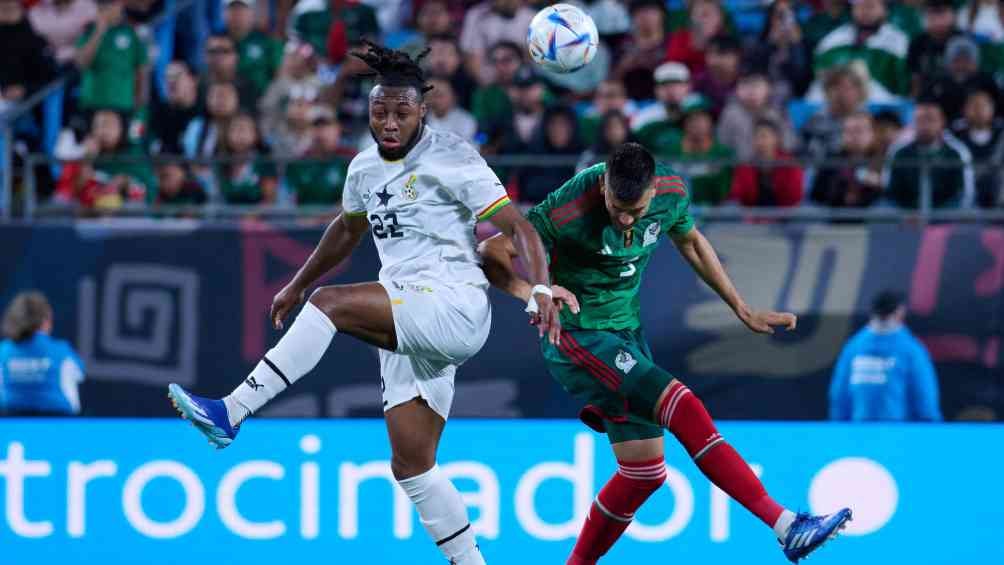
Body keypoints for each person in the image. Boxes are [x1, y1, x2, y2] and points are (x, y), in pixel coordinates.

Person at [167, 43, 558, 565]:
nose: (389, 123)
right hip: (407, 314)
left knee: (332, 304)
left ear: (422, 109)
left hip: (453, 303)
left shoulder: (453, 157)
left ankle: (231, 412)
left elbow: (519, 227)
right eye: (379, 111)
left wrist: (539, 286)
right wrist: (296, 283)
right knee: (412, 465)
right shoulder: (364, 169)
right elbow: (347, 229)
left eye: (401, 111)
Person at [478, 142, 851, 565]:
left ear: (653, 192)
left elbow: (690, 241)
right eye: (616, 206)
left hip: (626, 334)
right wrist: (535, 293)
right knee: (683, 406)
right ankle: (786, 525)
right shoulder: (567, 208)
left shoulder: (672, 192)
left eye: (634, 211)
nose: (623, 218)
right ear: (603, 184)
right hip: (576, 334)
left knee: (643, 473)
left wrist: (741, 308)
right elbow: (490, 252)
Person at [829, 290, 942, 421]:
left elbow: (839, 395)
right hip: (896, 436)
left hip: (860, 434)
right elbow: (924, 396)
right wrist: (931, 429)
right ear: (900, 312)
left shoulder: (854, 347)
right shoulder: (911, 350)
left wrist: (838, 430)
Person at [0, 291, 85, 416]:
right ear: (46, 321)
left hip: (9, 426)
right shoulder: (61, 352)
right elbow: (80, 374)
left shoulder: (3, 351)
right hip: (59, 424)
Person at [811, 0, 910, 103]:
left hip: (884, 109)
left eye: (870, 6)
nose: (864, 11)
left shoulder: (900, 43)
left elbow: (904, 87)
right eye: (859, 6)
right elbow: (819, 80)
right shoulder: (831, 41)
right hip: (837, 109)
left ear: (885, 9)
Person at [886, 98, 974, 208]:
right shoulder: (899, 151)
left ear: (942, 122)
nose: (925, 125)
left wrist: (939, 217)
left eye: (930, 120)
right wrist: (908, 214)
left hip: (948, 217)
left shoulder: (957, 152)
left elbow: (963, 195)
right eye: (920, 120)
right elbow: (891, 193)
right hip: (906, 217)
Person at [75, 0, 147, 116]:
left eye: (109, 4)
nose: (105, 9)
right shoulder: (88, 32)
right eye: (102, 5)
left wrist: (140, 106)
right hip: (93, 104)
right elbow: (81, 64)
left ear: (119, 6)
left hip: (123, 106)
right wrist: (99, 31)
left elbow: (142, 72)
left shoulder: (132, 32)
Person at [716, 70, 798, 161]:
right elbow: (722, 146)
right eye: (745, 85)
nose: (751, 92)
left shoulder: (778, 112)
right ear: (736, 89)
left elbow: (790, 144)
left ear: (768, 88)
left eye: (756, 85)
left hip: (774, 167)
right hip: (739, 167)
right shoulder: (730, 114)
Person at [810, 111, 885, 207]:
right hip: (834, 215)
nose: (853, 136)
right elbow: (817, 195)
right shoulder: (831, 160)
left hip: (872, 217)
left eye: (859, 130)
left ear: (873, 133)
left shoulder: (884, 160)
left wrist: (879, 185)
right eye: (848, 131)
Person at [663, 105, 735, 205]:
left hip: (714, 213)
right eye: (692, 120)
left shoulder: (722, 153)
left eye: (702, 119)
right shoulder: (670, 151)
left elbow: (723, 193)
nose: (697, 124)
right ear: (684, 123)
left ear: (711, 123)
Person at [284, 106, 355, 205]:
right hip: (305, 218)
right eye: (316, 126)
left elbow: (357, 198)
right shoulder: (298, 162)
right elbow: (290, 201)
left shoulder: (351, 158)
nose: (322, 132)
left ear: (338, 129)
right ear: (307, 131)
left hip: (342, 218)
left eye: (327, 125)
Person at [747, 0, 813, 106]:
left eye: (789, 15)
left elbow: (801, 79)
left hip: (793, 100)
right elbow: (754, 73)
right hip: (762, 97)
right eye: (780, 16)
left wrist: (797, 45)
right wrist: (770, 45)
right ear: (771, 18)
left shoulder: (804, 45)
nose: (784, 22)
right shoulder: (759, 44)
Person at [632, 62, 704, 155]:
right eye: (664, 84)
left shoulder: (701, 107)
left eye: (677, 83)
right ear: (656, 89)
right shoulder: (644, 117)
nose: (671, 89)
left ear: (689, 86)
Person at [729, 119, 804, 207]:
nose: (759, 141)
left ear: (776, 138)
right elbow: (738, 195)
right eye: (755, 137)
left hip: (784, 213)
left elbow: (794, 197)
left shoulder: (790, 164)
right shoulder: (745, 165)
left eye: (764, 136)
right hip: (752, 214)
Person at [517, 105, 584, 203]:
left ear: (573, 126)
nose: (558, 129)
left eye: (563, 124)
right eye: (553, 123)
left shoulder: (584, 156)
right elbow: (526, 190)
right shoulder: (532, 155)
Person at [459, 0, 534, 85]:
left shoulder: (532, 16)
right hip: (489, 81)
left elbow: (534, 59)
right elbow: (472, 59)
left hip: (524, 79)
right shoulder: (476, 15)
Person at [951, 89, 1004, 207]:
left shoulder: (1001, 132)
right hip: (967, 181)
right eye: (974, 106)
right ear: (965, 109)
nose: (978, 111)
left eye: (983, 106)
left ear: (992, 109)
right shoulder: (956, 132)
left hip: (995, 182)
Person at [802, 66, 868, 161]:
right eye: (839, 87)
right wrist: (843, 145)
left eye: (850, 88)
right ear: (829, 91)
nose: (845, 94)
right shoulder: (816, 122)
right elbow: (813, 157)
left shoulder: (866, 118)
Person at [223, 0, 282, 102]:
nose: (237, 14)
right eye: (233, 9)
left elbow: (279, 76)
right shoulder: (216, 41)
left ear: (252, 13)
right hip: (226, 99)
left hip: (261, 101)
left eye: (242, 9)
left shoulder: (268, 42)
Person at [213, 113, 278, 204]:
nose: (240, 135)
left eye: (245, 130)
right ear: (227, 134)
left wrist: (250, 217)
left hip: (259, 216)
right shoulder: (220, 161)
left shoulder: (265, 162)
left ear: (256, 134)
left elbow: (269, 199)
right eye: (235, 129)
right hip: (226, 215)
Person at [613, 0, 670, 100]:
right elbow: (610, 80)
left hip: (664, 98)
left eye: (651, 11)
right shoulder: (622, 45)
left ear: (662, 14)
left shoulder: (673, 43)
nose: (645, 16)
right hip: (628, 101)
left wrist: (652, 64)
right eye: (639, 12)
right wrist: (624, 66)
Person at [907, 0, 963, 96]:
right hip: (927, 98)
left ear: (953, 15)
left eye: (942, 14)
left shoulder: (963, 41)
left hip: (957, 95)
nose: (938, 21)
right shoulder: (918, 43)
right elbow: (915, 78)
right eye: (932, 15)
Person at [665, 0, 727, 75]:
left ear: (720, 18)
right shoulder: (679, 40)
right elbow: (671, 70)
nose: (705, 20)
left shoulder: (727, 42)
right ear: (691, 17)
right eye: (702, 15)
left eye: (710, 14)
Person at [424, 77, 477, 142]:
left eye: (439, 95)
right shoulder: (422, 118)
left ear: (453, 97)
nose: (434, 100)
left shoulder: (465, 120)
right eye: (429, 95)